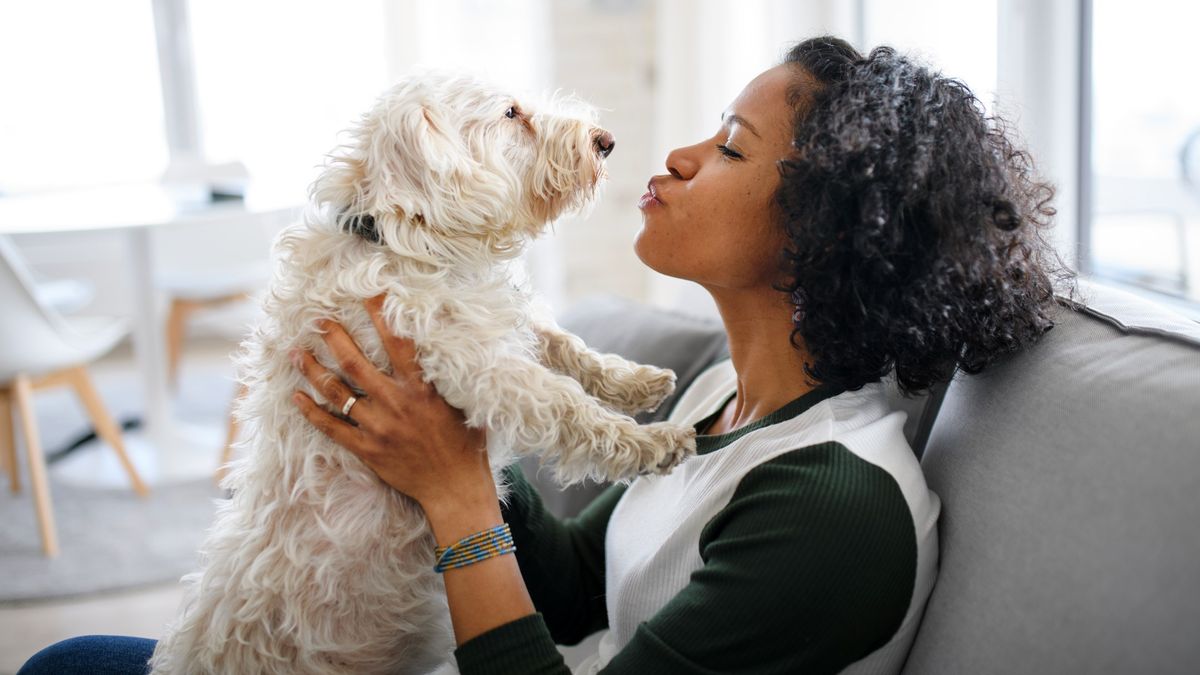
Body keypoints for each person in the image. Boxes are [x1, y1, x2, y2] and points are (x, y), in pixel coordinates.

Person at [19, 36, 1064, 674]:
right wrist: (422, 415)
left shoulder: (835, 513)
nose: (677, 156)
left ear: (825, 230)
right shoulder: (721, 399)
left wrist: (459, 494)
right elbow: (568, 589)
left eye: (731, 148)